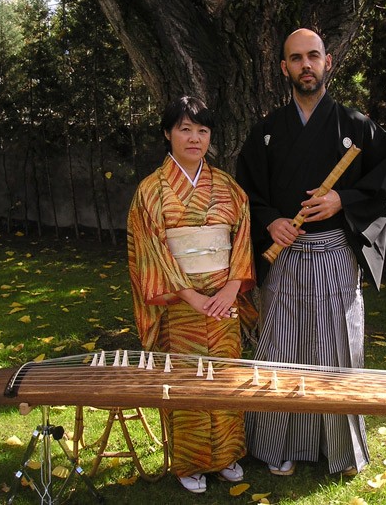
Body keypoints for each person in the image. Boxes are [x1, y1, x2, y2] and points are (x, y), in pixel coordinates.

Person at [235, 28, 386, 477]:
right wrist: (270, 220)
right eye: (296, 58)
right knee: (280, 346)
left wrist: (341, 199)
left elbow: (382, 181)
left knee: (338, 348)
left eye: (313, 56)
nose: (306, 65)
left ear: (327, 62)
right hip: (284, 252)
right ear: (284, 67)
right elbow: (245, 190)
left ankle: (339, 449)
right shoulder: (265, 132)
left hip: (333, 251)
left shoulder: (357, 126)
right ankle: (275, 447)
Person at [127, 95, 255, 494]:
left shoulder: (229, 188)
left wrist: (232, 288)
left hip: (223, 302)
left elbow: (242, 240)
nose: (194, 138)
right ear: (168, 134)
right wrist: (189, 295)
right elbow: (150, 250)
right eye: (185, 128)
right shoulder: (150, 192)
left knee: (226, 379)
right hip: (180, 307)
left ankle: (228, 455)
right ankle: (189, 462)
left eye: (202, 130)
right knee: (185, 383)